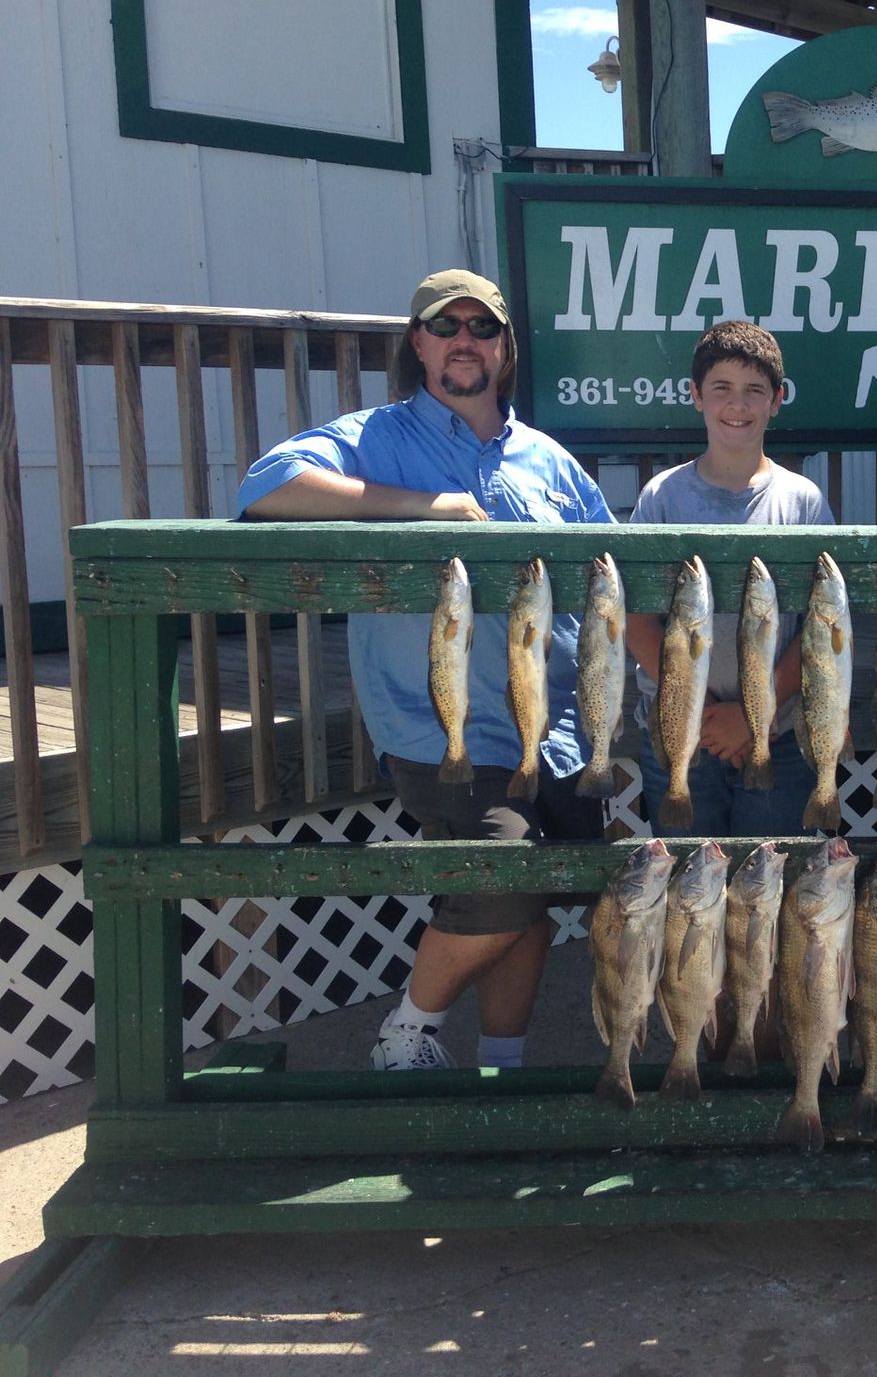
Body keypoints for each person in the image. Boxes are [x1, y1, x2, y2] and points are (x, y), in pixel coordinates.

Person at [236, 269, 616, 1072]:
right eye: (446, 328)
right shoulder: (373, 437)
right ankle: (406, 1030)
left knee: (534, 897)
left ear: (505, 348)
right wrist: (423, 508)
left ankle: (501, 1066)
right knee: (504, 874)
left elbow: (612, 579)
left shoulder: (549, 460)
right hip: (443, 727)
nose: (464, 343)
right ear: (419, 344)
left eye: (482, 328)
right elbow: (265, 486)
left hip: (554, 730)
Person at [625, 321, 833, 837]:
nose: (737, 406)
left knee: (769, 887)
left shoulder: (802, 501)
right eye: (721, 389)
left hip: (779, 733)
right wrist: (698, 708)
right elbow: (633, 620)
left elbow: (821, 629)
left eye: (754, 391)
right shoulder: (662, 498)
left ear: (777, 400)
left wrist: (750, 716)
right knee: (687, 892)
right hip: (679, 731)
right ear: (695, 395)